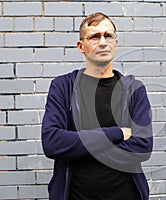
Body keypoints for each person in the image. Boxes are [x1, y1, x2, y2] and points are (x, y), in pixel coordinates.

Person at [41, 12, 153, 200]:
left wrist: (77, 145)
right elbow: (52, 142)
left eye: (108, 36)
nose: (103, 42)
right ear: (81, 46)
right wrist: (116, 133)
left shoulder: (134, 89)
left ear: (115, 44)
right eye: (94, 36)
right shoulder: (63, 87)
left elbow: (142, 147)